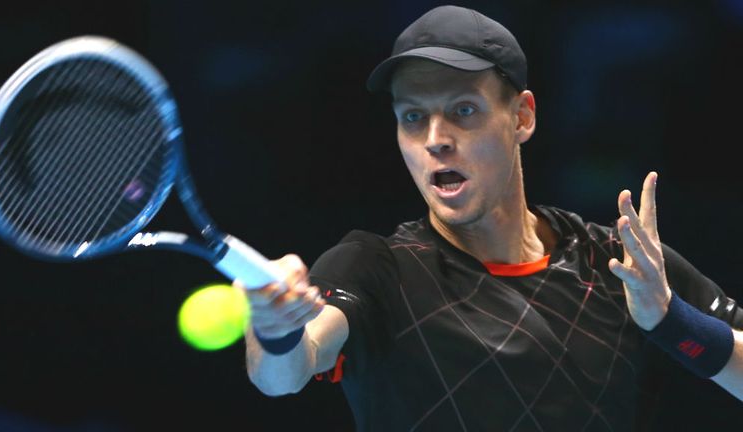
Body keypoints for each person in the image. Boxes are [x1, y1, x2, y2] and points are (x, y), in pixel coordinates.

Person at [242, 5, 743, 431]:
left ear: (522, 117)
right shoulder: (374, 268)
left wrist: (670, 321)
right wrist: (274, 327)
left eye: (463, 110)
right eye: (412, 117)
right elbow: (284, 374)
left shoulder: (619, 265)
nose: (435, 138)